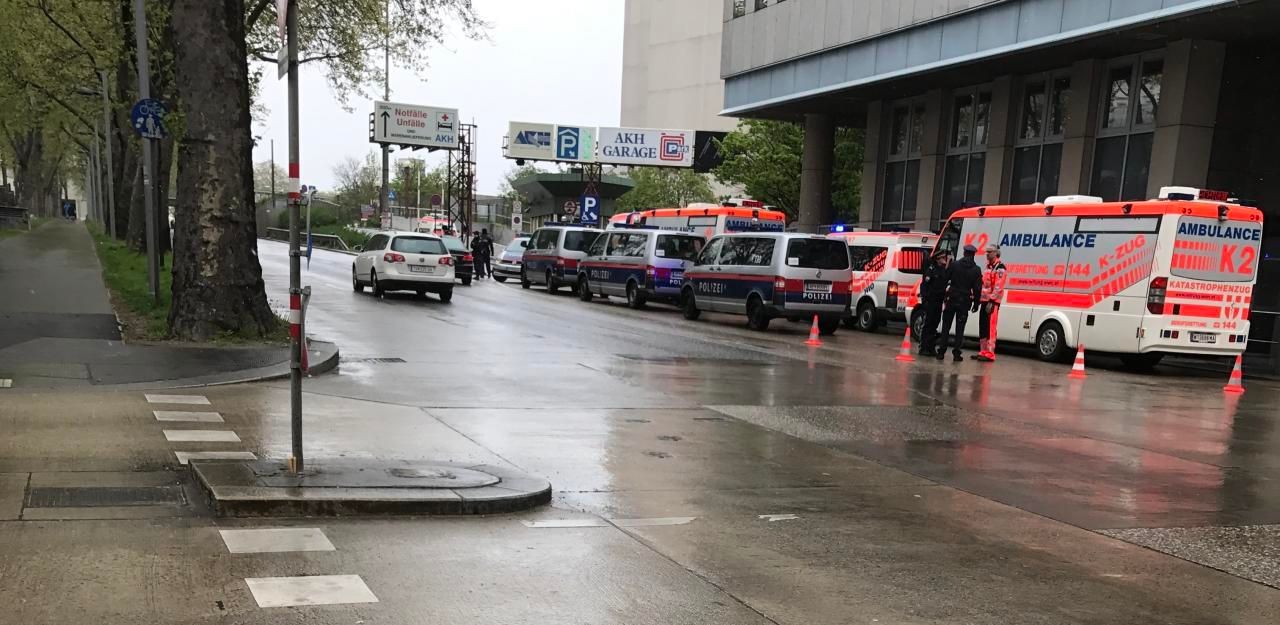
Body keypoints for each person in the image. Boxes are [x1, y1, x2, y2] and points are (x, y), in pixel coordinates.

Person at [936, 244, 983, 362]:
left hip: (952, 299)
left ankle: (941, 352)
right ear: (973, 255)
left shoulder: (955, 265)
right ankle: (957, 354)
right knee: (960, 329)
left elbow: (945, 279)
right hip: (965, 301)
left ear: (964, 253)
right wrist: (976, 304)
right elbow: (977, 289)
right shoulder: (976, 270)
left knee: (946, 326)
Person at [974, 244, 1007, 362]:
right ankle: (983, 351)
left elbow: (998, 286)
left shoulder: (1000, 268)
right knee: (983, 327)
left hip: (992, 302)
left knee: (990, 328)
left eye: (990, 252)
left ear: (996, 253)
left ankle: (990, 352)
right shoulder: (988, 267)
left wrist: (992, 301)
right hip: (984, 301)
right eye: (986, 252)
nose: (987, 254)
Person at [917, 250, 951, 356]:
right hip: (930, 301)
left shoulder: (943, 270)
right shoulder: (931, 270)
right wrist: (925, 300)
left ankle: (931, 347)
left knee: (935, 324)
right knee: (928, 324)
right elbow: (924, 286)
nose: (944, 260)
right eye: (943, 258)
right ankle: (923, 347)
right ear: (938, 259)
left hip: (938, 301)